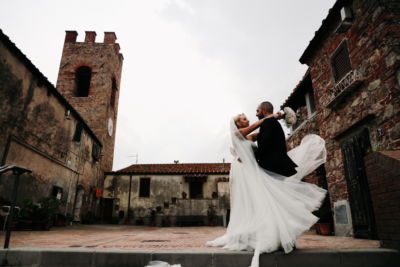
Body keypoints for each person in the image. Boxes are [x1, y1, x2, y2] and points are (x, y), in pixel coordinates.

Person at [206, 109, 327, 267]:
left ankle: (267, 233)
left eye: (245, 117)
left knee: (265, 200)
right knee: (260, 198)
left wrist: (280, 120)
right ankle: (259, 234)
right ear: (237, 124)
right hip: (246, 173)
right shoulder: (238, 134)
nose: (246, 119)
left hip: (253, 170)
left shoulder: (248, 136)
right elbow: (258, 124)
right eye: (242, 118)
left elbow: (262, 133)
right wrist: (273, 116)